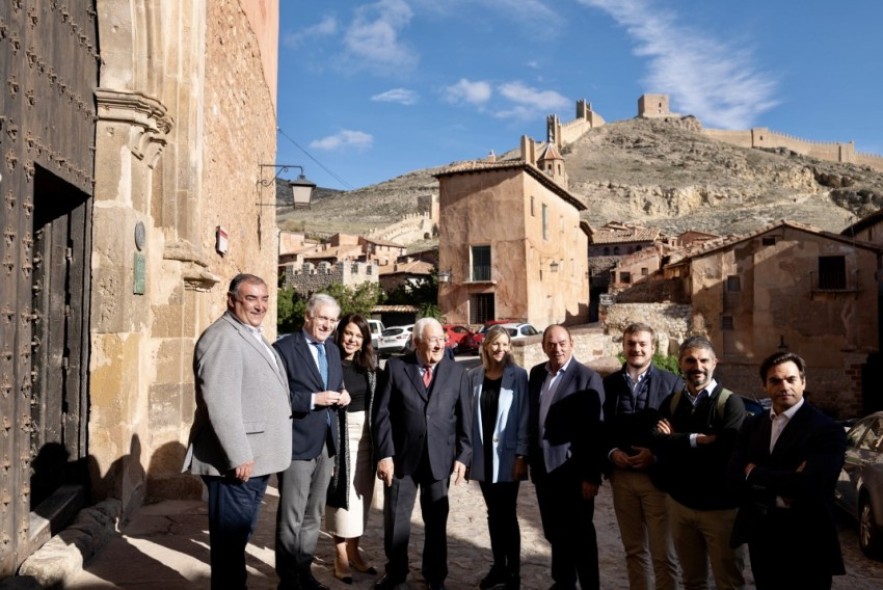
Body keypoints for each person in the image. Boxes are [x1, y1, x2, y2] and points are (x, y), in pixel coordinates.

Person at [183, 273, 293, 590]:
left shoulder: (250, 333)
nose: (259, 306)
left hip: (255, 460)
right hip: (237, 462)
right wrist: (239, 454)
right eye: (251, 298)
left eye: (264, 298)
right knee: (229, 544)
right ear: (232, 299)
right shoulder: (221, 337)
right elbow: (219, 401)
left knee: (237, 539)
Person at [728, 351, 846, 590]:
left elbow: (810, 485)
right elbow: (733, 477)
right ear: (764, 385)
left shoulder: (826, 429)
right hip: (763, 536)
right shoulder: (752, 426)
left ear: (803, 382)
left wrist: (755, 473)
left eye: (791, 379)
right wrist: (789, 477)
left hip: (808, 539)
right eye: (775, 380)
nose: (784, 386)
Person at [372, 318, 472, 590]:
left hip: (439, 459)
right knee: (396, 522)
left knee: (437, 523)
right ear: (416, 343)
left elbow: (465, 418)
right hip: (401, 459)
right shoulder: (394, 368)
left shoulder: (457, 373)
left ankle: (435, 576)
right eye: (433, 339)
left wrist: (464, 455)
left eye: (442, 338)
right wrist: (385, 454)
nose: (440, 343)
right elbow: (381, 415)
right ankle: (395, 574)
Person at [653, 335, 746, 590]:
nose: (697, 366)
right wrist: (697, 440)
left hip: (721, 511)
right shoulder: (672, 403)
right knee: (692, 581)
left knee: (729, 582)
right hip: (681, 507)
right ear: (680, 363)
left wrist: (675, 440)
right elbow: (656, 442)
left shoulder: (730, 404)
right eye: (690, 360)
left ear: (715, 362)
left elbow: (726, 448)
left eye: (703, 360)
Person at [274, 293, 348, 590]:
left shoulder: (332, 351)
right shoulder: (283, 349)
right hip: (296, 444)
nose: (328, 325)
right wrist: (312, 400)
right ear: (308, 317)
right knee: (291, 515)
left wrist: (343, 394)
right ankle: (288, 579)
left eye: (332, 320)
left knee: (314, 514)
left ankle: (304, 571)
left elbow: (336, 384)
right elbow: (276, 398)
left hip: (326, 445)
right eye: (323, 319)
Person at [603, 323, 682, 590]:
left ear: (652, 348)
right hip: (622, 480)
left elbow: (678, 434)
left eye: (642, 344)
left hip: (656, 481)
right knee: (634, 551)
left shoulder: (672, 384)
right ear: (623, 346)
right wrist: (612, 453)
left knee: (664, 555)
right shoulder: (610, 384)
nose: (636, 348)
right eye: (631, 343)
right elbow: (602, 429)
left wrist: (656, 456)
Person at [527, 324, 605, 590]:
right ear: (543, 346)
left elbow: (595, 432)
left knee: (581, 535)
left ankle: (589, 585)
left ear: (571, 343)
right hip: (544, 471)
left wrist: (592, 476)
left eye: (561, 343)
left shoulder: (587, 378)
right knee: (554, 533)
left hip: (574, 473)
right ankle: (563, 582)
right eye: (551, 344)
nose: (556, 348)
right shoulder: (536, 374)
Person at [468, 325, 529, 590]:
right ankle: (498, 566)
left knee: (508, 513)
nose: (500, 349)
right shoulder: (473, 376)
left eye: (505, 344)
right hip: (483, 457)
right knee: (493, 514)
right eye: (495, 344)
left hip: (507, 457)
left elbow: (525, 417)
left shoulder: (519, 376)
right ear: (486, 346)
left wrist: (521, 455)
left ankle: (513, 572)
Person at [326, 314, 379, 584]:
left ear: (364, 341)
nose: (352, 339)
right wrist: (335, 396)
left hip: (366, 437)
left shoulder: (369, 364)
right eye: (348, 333)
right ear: (340, 333)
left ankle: (354, 550)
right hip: (341, 433)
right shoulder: (329, 361)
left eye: (358, 336)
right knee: (341, 495)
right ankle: (340, 556)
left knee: (361, 496)